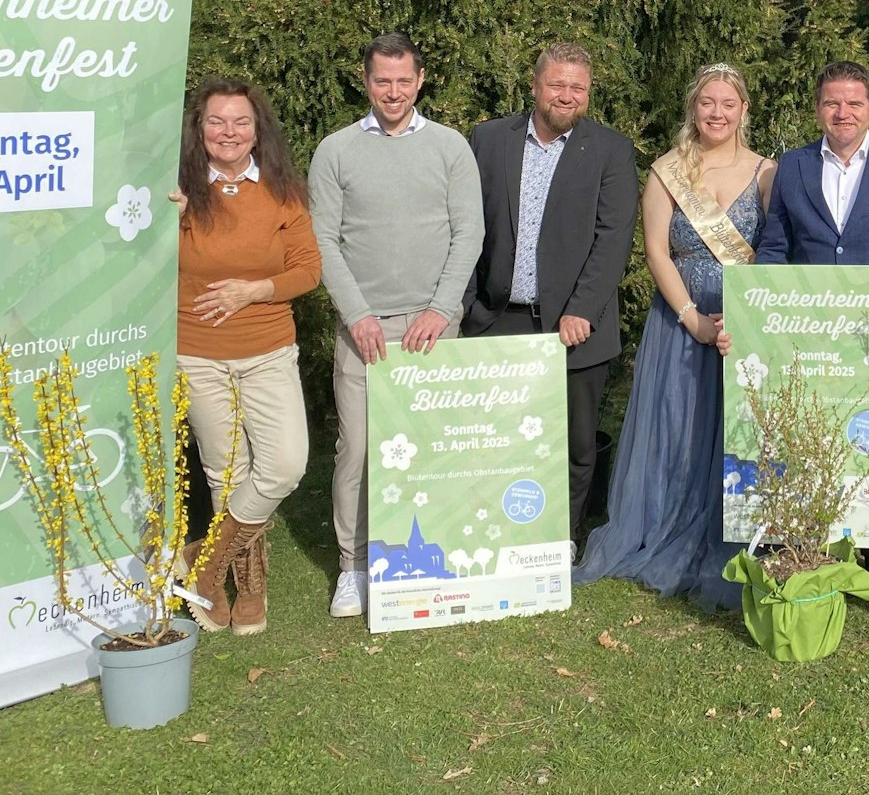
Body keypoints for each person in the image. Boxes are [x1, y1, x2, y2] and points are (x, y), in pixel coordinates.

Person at [575, 65, 772, 611]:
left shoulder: (767, 173)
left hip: (742, 324)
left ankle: (733, 530)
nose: (717, 113)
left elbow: (775, 249)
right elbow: (657, 252)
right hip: (681, 322)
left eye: (727, 103)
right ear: (693, 108)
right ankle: (664, 524)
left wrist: (744, 318)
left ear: (743, 110)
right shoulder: (667, 172)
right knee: (678, 427)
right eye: (707, 102)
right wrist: (692, 318)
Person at [309, 33, 485, 618]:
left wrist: (442, 309)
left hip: (434, 327)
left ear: (420, 80)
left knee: (432, 448)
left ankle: (433, 557)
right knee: (359, 450)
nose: (393, 91)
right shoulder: (335, 151)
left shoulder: (450, 148)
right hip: (364, 329)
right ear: (365, 81)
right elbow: (322, 241)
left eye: (403, 80)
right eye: (382, 81)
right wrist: (356, 315)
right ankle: (354, 566)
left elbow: (469, 233)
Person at [464, 43, 640, 546]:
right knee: (496, 439)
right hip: (498, 319)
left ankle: (561, 539)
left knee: (575, 444)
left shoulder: (610, 150)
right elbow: (467, 225)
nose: (567, 96)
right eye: (558, 84)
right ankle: (494, 536)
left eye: (578, 88)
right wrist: (467, 305)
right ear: (535, 86)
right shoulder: (488, 139)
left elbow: (613, 238)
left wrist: (581, 309)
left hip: (574, 327)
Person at [169, 78, 321, 636]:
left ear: (259, 132)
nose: (228, 132)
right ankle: (248, 587)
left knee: (285, 465)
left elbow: (308, 269)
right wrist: (166, 219)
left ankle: (203, 560)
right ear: (199, 129)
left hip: (268, 350)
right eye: (216, 121)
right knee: (226, 473)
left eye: (240, 122)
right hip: (198, 354)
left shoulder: (282, 192)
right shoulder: (176, 193)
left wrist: (254, 290)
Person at [754, 60, 869, 276]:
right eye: (831, 104)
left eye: (854, 104)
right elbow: (774, 248)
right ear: (817, 109)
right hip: (811, 296)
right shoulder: (792, 165)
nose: (842, 113)